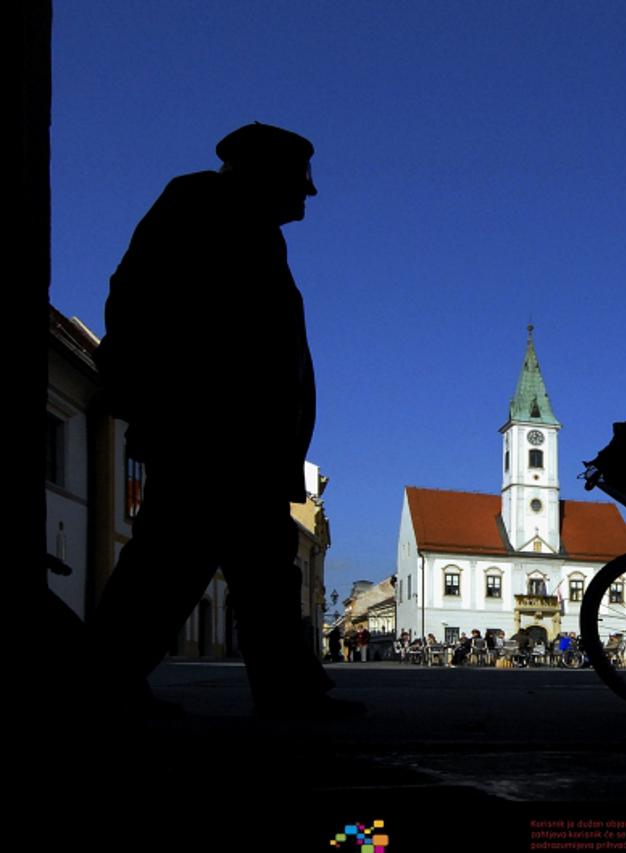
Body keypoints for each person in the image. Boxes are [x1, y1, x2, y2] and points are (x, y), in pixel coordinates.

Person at [90, 123, 362, 719]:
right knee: (176, 561)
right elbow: (136, 299)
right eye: (300, 176)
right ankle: (103, 684)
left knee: (246, 564)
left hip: (241, 434)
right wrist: (161, 395)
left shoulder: (251, 227)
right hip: (208, 429)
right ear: (264, 173)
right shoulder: (200, 204)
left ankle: (283, 691)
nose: (309, 191)